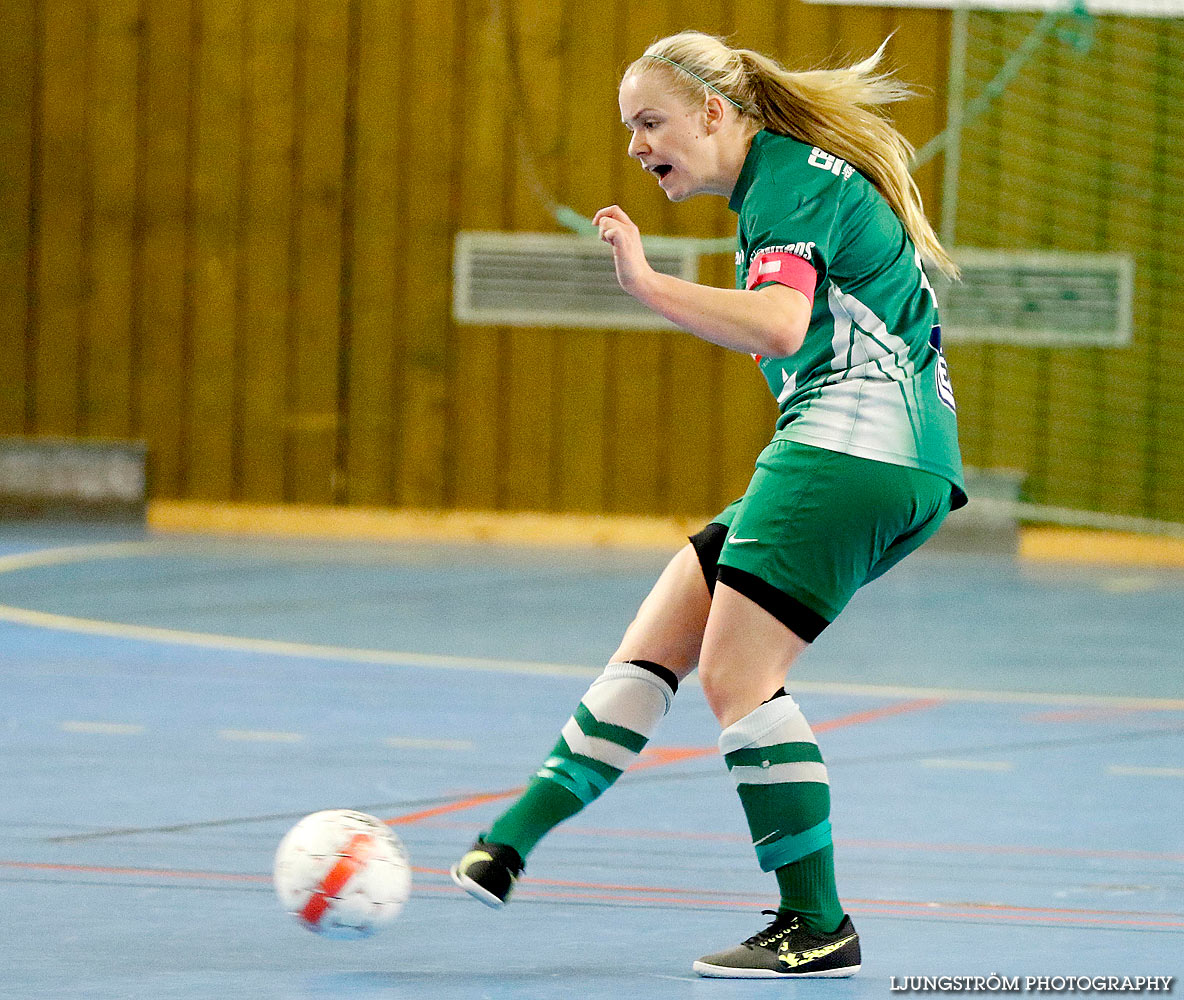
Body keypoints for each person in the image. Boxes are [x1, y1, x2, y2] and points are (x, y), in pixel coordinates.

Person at [451, 29, 966, 979]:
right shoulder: (785, 183)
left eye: (652, 122)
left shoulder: (786, 182)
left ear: (716, 113)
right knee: (661, 638)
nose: (640, 147)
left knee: (738, 677)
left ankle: (816, 922)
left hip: (853, 445)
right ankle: (509, 841)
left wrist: (646, 283)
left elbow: (778, 321)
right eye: (630, 130)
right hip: (880, 455)